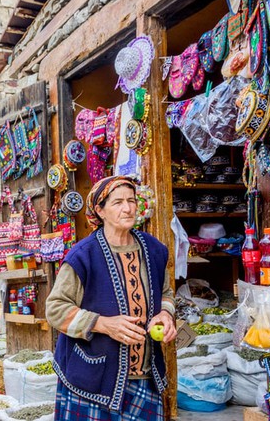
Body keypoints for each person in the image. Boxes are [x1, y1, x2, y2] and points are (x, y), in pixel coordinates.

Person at [46, 176, 177, 419]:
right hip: (92, 379)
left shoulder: (155, 250)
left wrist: (165, 314)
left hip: (145, 378)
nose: (127, 208)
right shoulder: (83, 256)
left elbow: (167, 293)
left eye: (131, 200)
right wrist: (103, 324)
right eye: (117, 203)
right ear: (100, 210)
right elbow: (55, 309)